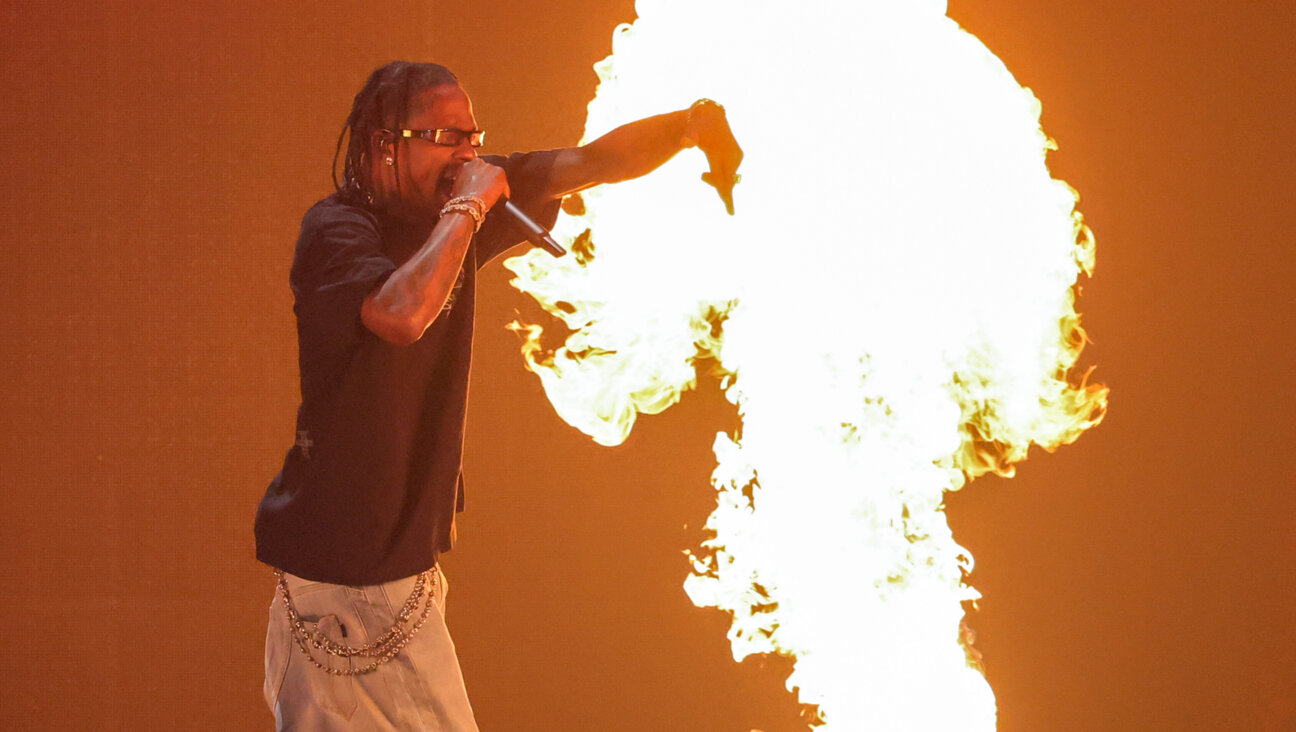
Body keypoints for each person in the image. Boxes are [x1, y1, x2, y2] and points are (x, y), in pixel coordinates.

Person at [253, 60, 742, 730]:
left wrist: (687, 127)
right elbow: (401, 314)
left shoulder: (454, 204)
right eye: (447, 137)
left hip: (396, 576)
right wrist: (468, 208)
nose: (468, 156)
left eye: (474, 138)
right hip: (345, 585)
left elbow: (589, 162)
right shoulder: (338, 231)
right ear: (384, 144)